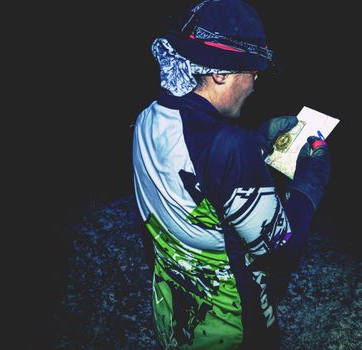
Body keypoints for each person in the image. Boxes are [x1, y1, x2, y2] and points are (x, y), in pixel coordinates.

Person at [132, 0, 331, 348]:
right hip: (232, 327)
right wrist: (311, 179)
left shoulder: (148, 118)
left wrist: (257, 139)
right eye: (251, 73)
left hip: (175, 310)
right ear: (220, 72)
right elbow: (280, 247)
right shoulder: (227, 147)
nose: (255, 85)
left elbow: (195, 170)